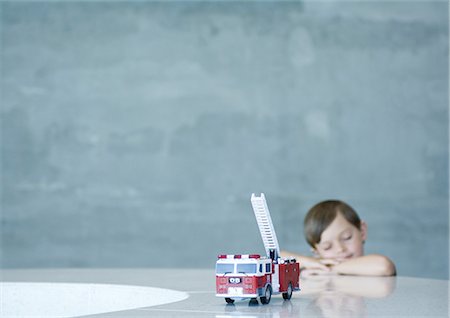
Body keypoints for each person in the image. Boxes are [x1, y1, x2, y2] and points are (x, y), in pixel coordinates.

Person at [281, 200, 396, 277]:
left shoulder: (371, 266)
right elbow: (277, 257)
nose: (340, 249)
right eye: (327, 247)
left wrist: (331, 268)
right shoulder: (315, 269)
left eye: (347, 238)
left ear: (362, 231)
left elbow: (384, 266)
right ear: (316, 251)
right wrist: (311, 262)